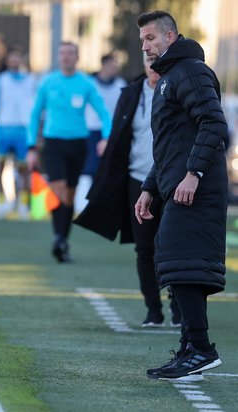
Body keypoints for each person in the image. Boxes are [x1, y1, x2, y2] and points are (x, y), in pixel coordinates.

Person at [135, 11, 228, 380]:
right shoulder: (170, 76)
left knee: (178, 257)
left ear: (170, 37)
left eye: (151, 38)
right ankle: (192, 349)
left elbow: (214, 122)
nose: (145, 46)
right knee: (182, 263)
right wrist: (149, 187)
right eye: (142, 40)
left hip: (197, 187)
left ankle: (202, 349)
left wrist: (194, 174)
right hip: (177, 184)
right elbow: (172, 144)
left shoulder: (189, 70)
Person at [74, 54, 181, 328]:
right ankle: (153, 310)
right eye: (146, 60)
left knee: (173, 247)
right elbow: (120, 129)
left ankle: (179, 307)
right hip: (137, 180)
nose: (151, 65)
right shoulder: (132, 93)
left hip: (171, 181)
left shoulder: (179, 89)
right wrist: (108, 141)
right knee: (144, 247)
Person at [26, 41, 112, 263]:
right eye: (62, 53)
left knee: (70, 195)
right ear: (58, 57)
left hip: (78, 144)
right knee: (58, 189)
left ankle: (61, 240)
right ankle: (59, 238)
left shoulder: (86, 83)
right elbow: (35, 115)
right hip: (53, 143)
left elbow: (104, 114)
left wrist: (106, 138)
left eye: (70, 53)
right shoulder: (48, 82)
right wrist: (31, 147)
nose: (66, 57)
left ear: (77, 57)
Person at [76, 53, 127, 213]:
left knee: (110, 169)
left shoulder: (120, 83)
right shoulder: (89, 83)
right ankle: (83, 204)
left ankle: (105, 205)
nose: (115, 68)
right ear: (103, 65)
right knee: (89, 169)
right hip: (91, 131)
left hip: (113, 132)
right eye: (112, 64)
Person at [0, 47, 36, 218]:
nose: (15, 61)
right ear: (7, 60)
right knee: (1, 167)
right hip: (4, 128)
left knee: (24, 170)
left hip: (23, 129)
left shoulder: (31, 80)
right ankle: (1, 203)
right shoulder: (0, 80)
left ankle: (24, 204)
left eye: (18, 58)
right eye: (12, 58)